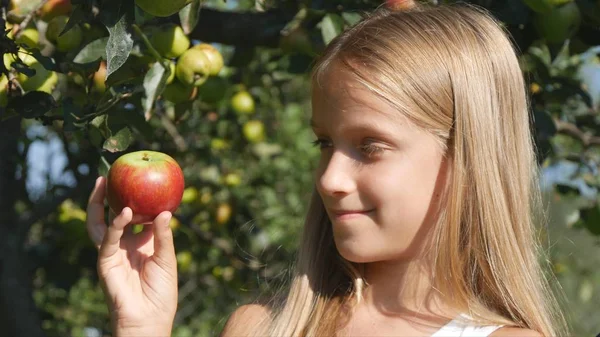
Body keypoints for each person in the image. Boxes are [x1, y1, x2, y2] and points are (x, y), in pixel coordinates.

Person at [86, 1, 568, 336]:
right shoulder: (260, 329)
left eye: (370, 145)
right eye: (324, 143)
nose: (330, 179)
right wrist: (141, 329)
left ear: (467, 156)